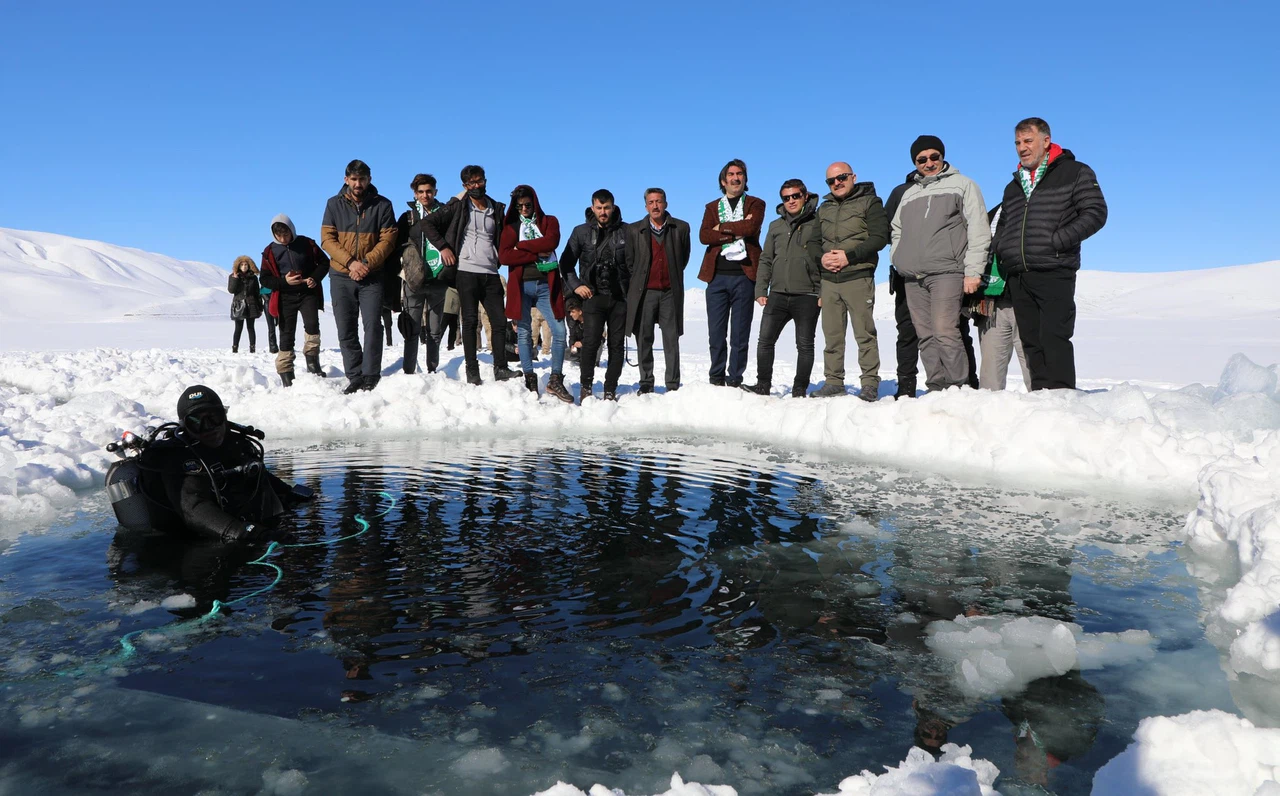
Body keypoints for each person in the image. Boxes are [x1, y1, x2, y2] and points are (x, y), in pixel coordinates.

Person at [106, 385, 314, 544]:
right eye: (196, 422)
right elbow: (194, 510)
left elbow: (257, 473)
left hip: (229, 529)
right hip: (183, 545)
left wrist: (289, 492)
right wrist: (245, 532)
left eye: (214, 418)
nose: (209, 428)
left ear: (224, 416)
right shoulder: (174, 458)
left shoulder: (235, 442)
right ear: (184, 426)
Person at [993, 117, 1108, 390]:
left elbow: (1095, 213)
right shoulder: (1014, 186)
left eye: (1028, 141)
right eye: (1018, 143)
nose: (1022, 147)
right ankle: (1041, 400)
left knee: (1054, 337)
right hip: (1019, 273)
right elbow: (1005, 225)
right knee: (1031, 341)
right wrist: (1005, 249)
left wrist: (1058, 241)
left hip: (1055, 269)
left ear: (1046, 141)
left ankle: (1062, 401)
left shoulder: (1075, 172)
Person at [890, 135, 990, 392]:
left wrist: (973, 272)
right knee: (925, 335)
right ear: (915, 162)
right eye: (921, 159)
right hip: (913, 277)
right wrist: (898, 259)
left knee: (945, 330)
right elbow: (897, 229)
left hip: (947, 272)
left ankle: (958, 387)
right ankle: (936, 387)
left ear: (942, 157)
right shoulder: (909, 194)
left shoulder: (963, 185)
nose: (929, 162)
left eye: (934, 156)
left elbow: (979, 229)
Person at [421, 165, 518, 386]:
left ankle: (501, 368)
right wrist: (444, 247)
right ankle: (472, 370)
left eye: (479, 181)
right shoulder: (458, 205)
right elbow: (427, 223)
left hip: (490, 272)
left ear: (485, 180)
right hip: (465, 271)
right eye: (470, 183)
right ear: (464, 186)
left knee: (499, 322)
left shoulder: (495, 207)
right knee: (470, 321)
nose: (476, 186)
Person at [320, 159, 399, 394]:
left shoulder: (383, 205)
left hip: (372, 275)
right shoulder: (333, 205)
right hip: (341, 275)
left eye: (362, 179)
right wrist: (351, 262)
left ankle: (371, 373)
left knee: (373, 325)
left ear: (369, 180)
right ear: (346, 180)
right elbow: (327, 239)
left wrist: (365, 263)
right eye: (353, 179)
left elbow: (389, 239)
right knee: (346, 327)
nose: (358, 183)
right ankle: (354, 375)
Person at [741, 179, 823, 398]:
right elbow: (767, 259)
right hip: (777, 294)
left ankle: (799, 390)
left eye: (795, 196)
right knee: (765, 341)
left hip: (808, 294)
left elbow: (825, 258)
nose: (791, 201)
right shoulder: (775, 226)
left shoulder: (818, 222)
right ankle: (762, 385)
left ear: (805, 196)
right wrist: (760, 289)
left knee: (804, 345)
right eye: (786, 198)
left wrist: (823, 291)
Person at [815, 162, 889, 401]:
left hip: (857, 277)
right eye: (831, 180)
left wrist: (849, 256)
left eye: (842, 177)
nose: (837, 182)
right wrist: (822, 257)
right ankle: (833, 381)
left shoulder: (870, 202)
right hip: (829, 281)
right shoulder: (823, 208)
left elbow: (880, 237)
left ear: (853, 177)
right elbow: (814, 241)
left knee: (864, 333)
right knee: (832, 335)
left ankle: (869, 383)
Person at [560, 189, 636, 402]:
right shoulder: (580, 232)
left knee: (616, 344)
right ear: (592, 208)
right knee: (590, 342)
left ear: (613, 207)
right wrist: (576, 286)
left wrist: (631, 290)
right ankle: (586, 387)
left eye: (607, 208)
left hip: (619, 297)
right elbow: (565, 264)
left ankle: (610, 388)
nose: (603, 212)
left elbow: (637, 265)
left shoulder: (627, 231)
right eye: (599, 208)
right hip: (592, 296)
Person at [498, 184, 572, 403]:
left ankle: (555, 379)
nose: (524, 209)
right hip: (521, 286)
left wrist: (520, 247)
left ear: (535, 203)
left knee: (559, 330)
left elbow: (551, 242)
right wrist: (534, 253)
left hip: (545, 286)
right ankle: (530, 376)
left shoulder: (549, 221)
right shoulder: (511, 227)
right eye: (519, 206)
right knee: (523, 332)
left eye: (527, 205)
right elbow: (504, 257)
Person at [698, 159, 765, 387]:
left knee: (740, 334)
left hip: (744, 277)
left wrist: (722, 228)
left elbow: (751, 228)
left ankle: (735, 378)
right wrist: (736, 231)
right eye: (731, 174)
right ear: (723, 180)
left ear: (745, 179)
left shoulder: (756, 204)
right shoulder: (712, 207)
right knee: (716, 334)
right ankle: (716, 378)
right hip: (716, 277)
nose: (736, 178)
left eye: (740, 174)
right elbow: (704, 236)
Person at [627, 187, 692, 394]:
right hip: (645, 293)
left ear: (666, 204)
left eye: (659, 201)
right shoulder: (634, 230)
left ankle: (672, 384)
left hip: (669, 292)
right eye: (651, 202)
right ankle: (646, 382)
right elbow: (630, 263)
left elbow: (683, 259)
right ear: (646, 206)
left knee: (671, 339)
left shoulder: (680, 228)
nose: (655, 205)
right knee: (644, 337)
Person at [259, 214, 329, 387]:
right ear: (273, 234)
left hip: (307, 293)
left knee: (312, 326)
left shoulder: (306, 244)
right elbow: (265, 279)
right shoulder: (270, 252)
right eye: (279, 236)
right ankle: (286, 373)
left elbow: (324, 262)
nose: (283, 239)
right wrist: (284, 282)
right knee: (286, 334)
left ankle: (313, 365)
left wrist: (314, 278)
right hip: (285, 297)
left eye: (286, 234)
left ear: (292, 230)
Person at [395, 173, 453, 375]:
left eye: (429, 191)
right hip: (414, 280)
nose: (425, 195)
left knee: (435, 331)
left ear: (435, 191)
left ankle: (433, 371)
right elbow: (396, 246)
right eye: (421, 192)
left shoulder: (446, 214)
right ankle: (409, 371)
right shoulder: (408, 217)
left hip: (439, 278)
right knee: (412, 330)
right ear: (415, 193)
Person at [973, 204, 1031, 390]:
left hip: (1027, 302)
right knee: (990, 376)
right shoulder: (992, 214)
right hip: (992, 302)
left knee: (1035, 369)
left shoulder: (1036, 212)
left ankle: (1045, 412)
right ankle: (989, 414)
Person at [228, 256, 264, 353]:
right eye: (242, 265)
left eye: (246, 265)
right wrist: (235, 278)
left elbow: (257, 293)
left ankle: (252, 349)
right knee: (238, 328)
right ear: (238, 266)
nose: (244, 267)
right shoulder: (233, 276)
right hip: (238, 304)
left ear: (249, 266)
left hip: (251, 304)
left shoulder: (253, 278)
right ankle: (235, 348)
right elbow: (231, 290)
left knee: (251, 327)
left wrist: (260, 307)